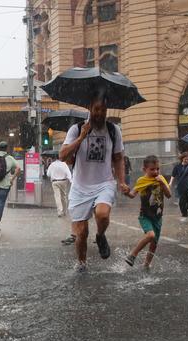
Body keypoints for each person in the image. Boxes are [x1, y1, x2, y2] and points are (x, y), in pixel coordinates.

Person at [59, 94, 128, 271]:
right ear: (90, 108)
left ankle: (100, 235)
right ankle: (81, 264)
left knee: (103, 214)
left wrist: (121, 181)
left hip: (104, 182)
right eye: (97, 109)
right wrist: (81, 137)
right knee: (81, 233)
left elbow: (119, 158)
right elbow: (62, 155)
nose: (100, 113)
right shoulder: (76, 129)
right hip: (80, 185)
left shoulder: (113, 130)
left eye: (103, 110)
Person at [124, 155, 171, 270]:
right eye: (152, 169)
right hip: (145, 216)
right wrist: (126, 192)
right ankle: (132, 255)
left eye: (157, 169)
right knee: (150, 235)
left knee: (154, 244)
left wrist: (163, 184)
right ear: (144, 169)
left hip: (158, 217)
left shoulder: (161, 179)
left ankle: (146, 265)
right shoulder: (142, 181)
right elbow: (132, 194)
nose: (155, 171)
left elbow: (169, 195)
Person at [169, 152, 188, 222]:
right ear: (182, 159)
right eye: (185, 159)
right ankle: (184, 215)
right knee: (182, 202)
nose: (186, 160)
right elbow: (173, 175)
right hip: (181, 186)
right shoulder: (177, 167)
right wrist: (170, 183)